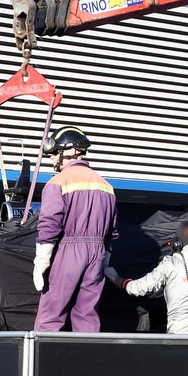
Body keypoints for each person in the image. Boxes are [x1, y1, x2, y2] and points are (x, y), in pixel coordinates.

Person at [32, 126, 118, 332]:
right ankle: (87, 361)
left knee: (51, 313)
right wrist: (105, 255)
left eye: (53, 154)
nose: (52, 160)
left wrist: (42, 259)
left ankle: (41, 362)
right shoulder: (106, 185)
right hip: (97, 253)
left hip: (69, 250)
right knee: (88, 314)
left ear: (66, 151)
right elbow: (112, 229)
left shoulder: (58, 182)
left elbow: (50, 223)